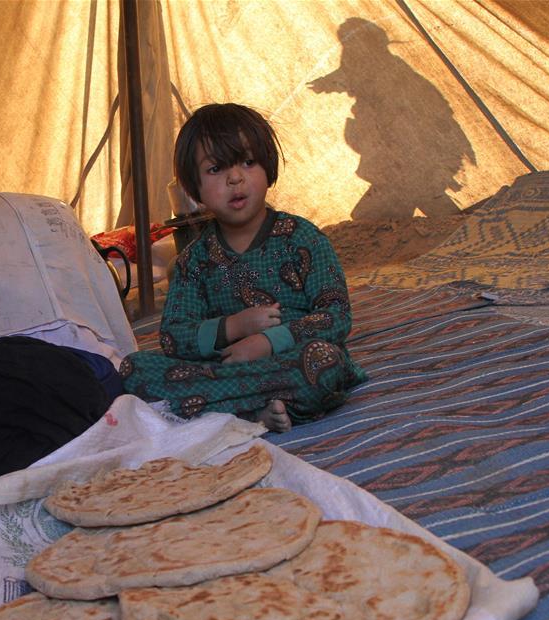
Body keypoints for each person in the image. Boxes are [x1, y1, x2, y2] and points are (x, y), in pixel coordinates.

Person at [119, 103, 366, 432]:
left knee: (324, 362)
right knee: (133, 369)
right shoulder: (194, 261)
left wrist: (267, 342)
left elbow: (335, 316)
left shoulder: (303, 238)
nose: (235, 178)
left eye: (248, 162)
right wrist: (235, 327)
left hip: (293, 361)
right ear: (195, 188)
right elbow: (174, 338)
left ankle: (222, 413)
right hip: (225, 371)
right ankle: (254, 411)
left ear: (268, 168)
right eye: (215, 169)